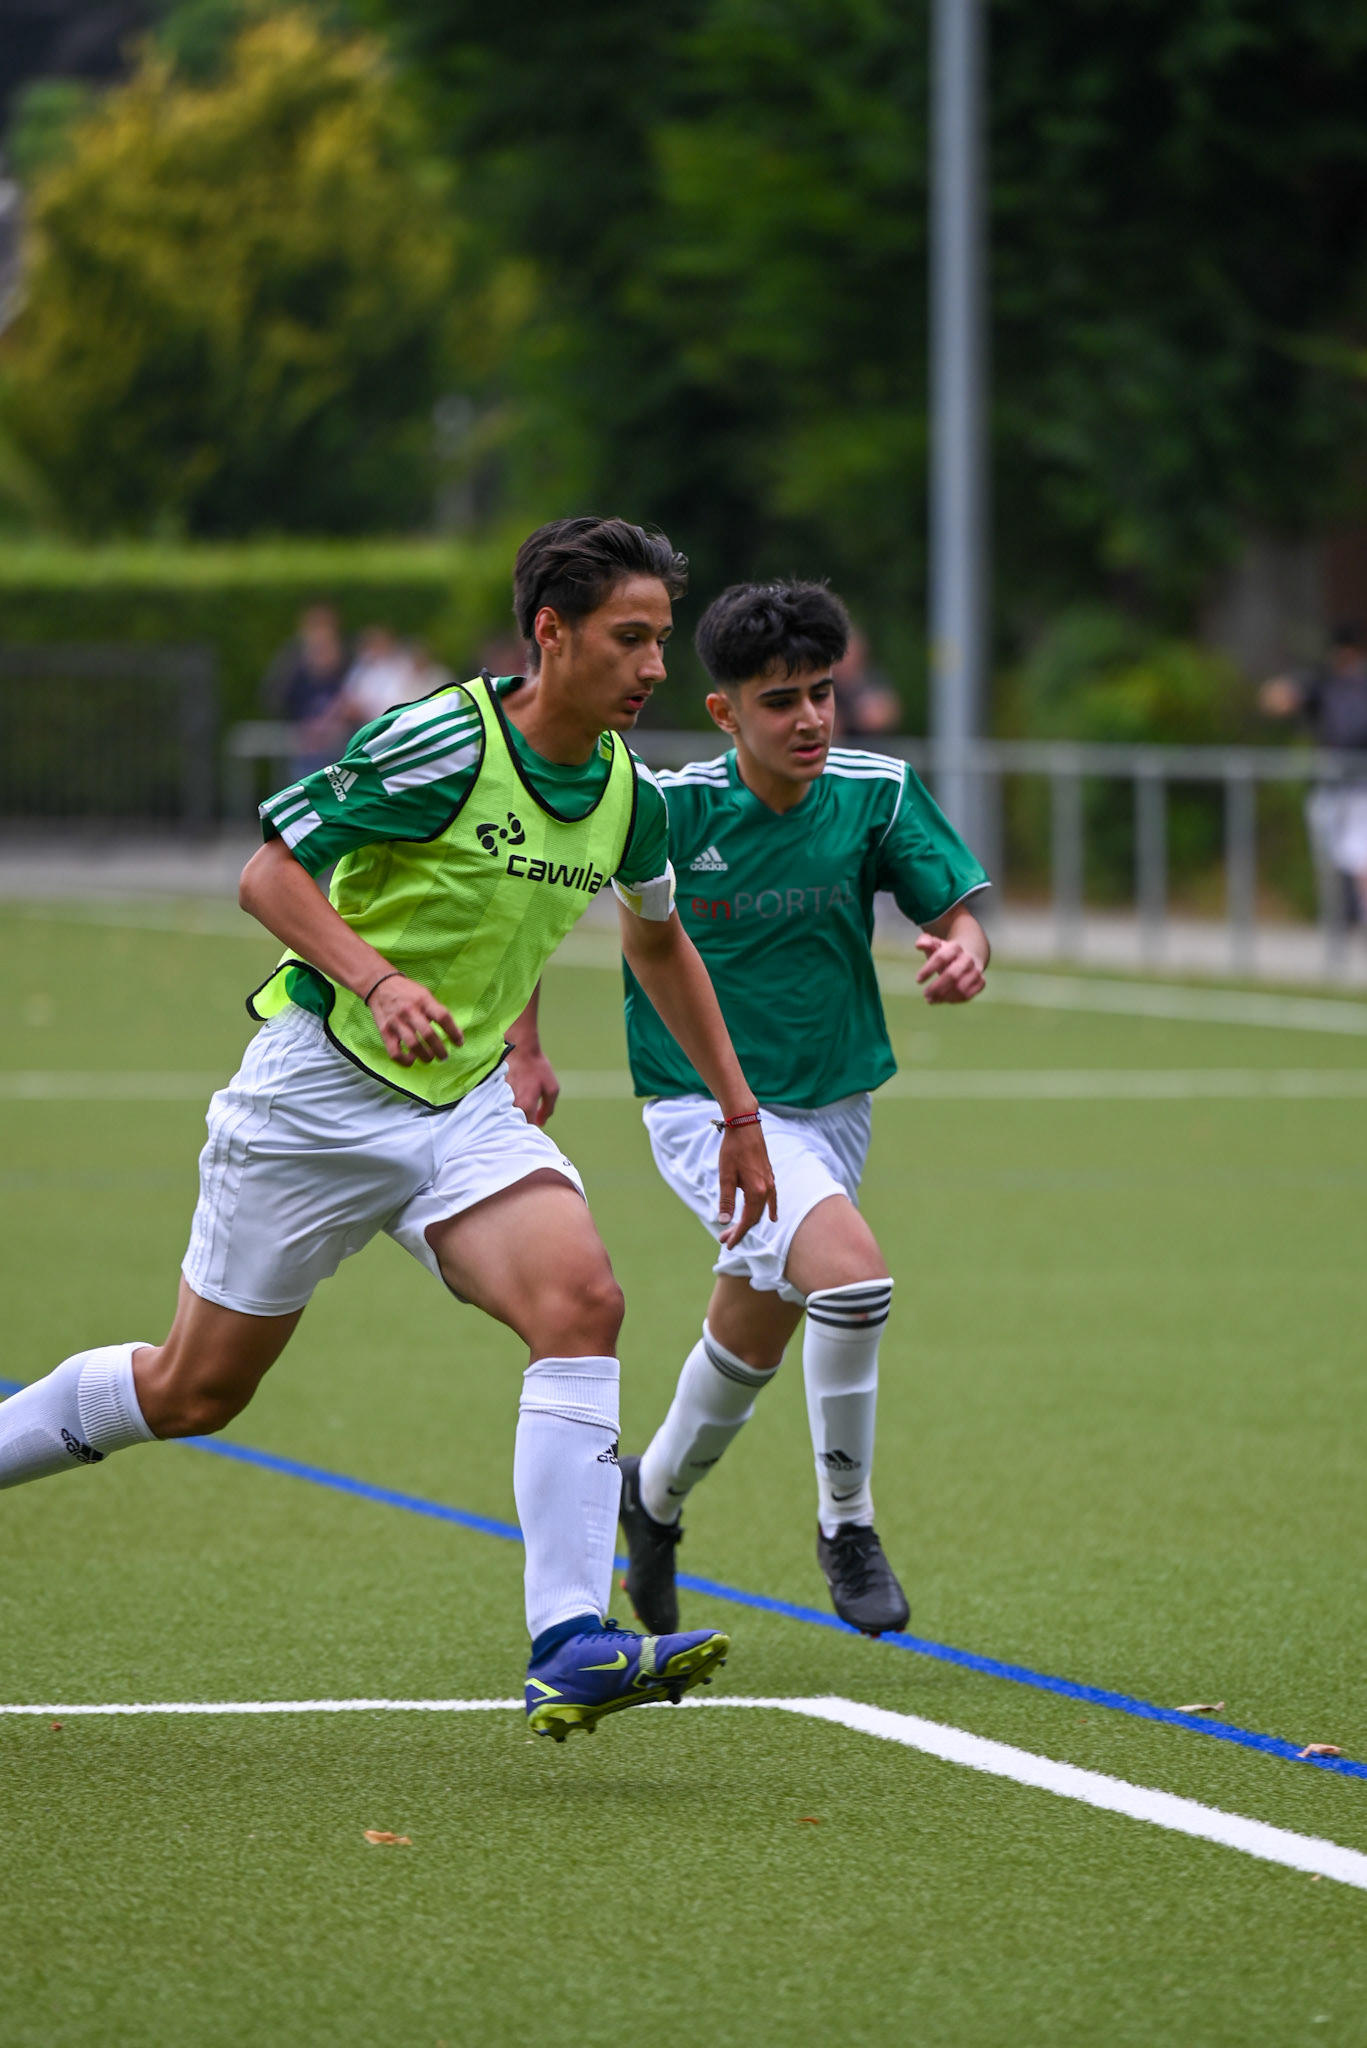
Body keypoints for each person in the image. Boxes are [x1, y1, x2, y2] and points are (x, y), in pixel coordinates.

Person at [0, 516, 777, 1743]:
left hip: (459, 1107)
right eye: (628, 637)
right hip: (313, 1099)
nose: (651, 666)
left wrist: (738, 1111)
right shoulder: (442, 740)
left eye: (660, 640)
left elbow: (658, 941)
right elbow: (269, 872)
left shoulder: (630, 794)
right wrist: (376, 978)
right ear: (550, 631)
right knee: (193, 1388)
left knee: (581, 1300)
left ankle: (569, 1642)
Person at [612, 580, 989, 1638]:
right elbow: (540, 906)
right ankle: (846, 1524)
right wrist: (524, 1042)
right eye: (779, 701)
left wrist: (966, 949)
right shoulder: (670, 810)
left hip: (833, 1107)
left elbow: (956, 908)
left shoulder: (876, 792)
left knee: (751, 1335)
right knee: (853, 1279)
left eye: (821, 693)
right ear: (724, 712)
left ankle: (650, 1499)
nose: (811, 718)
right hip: (703, 1108)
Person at [1260, 623, 1367, 921]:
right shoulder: (1322, 681)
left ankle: (1354, 916)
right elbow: (1276, 699)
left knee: (1359, 854)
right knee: (1333, 857)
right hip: (1331, 782)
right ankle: (1337, 917)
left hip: (1359, 784)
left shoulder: (1349, 682)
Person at [261, 603, 353, 779]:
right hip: (302, 739)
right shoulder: (293, 665)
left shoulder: (348, 665)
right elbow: (274, 698)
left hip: (339, 741)